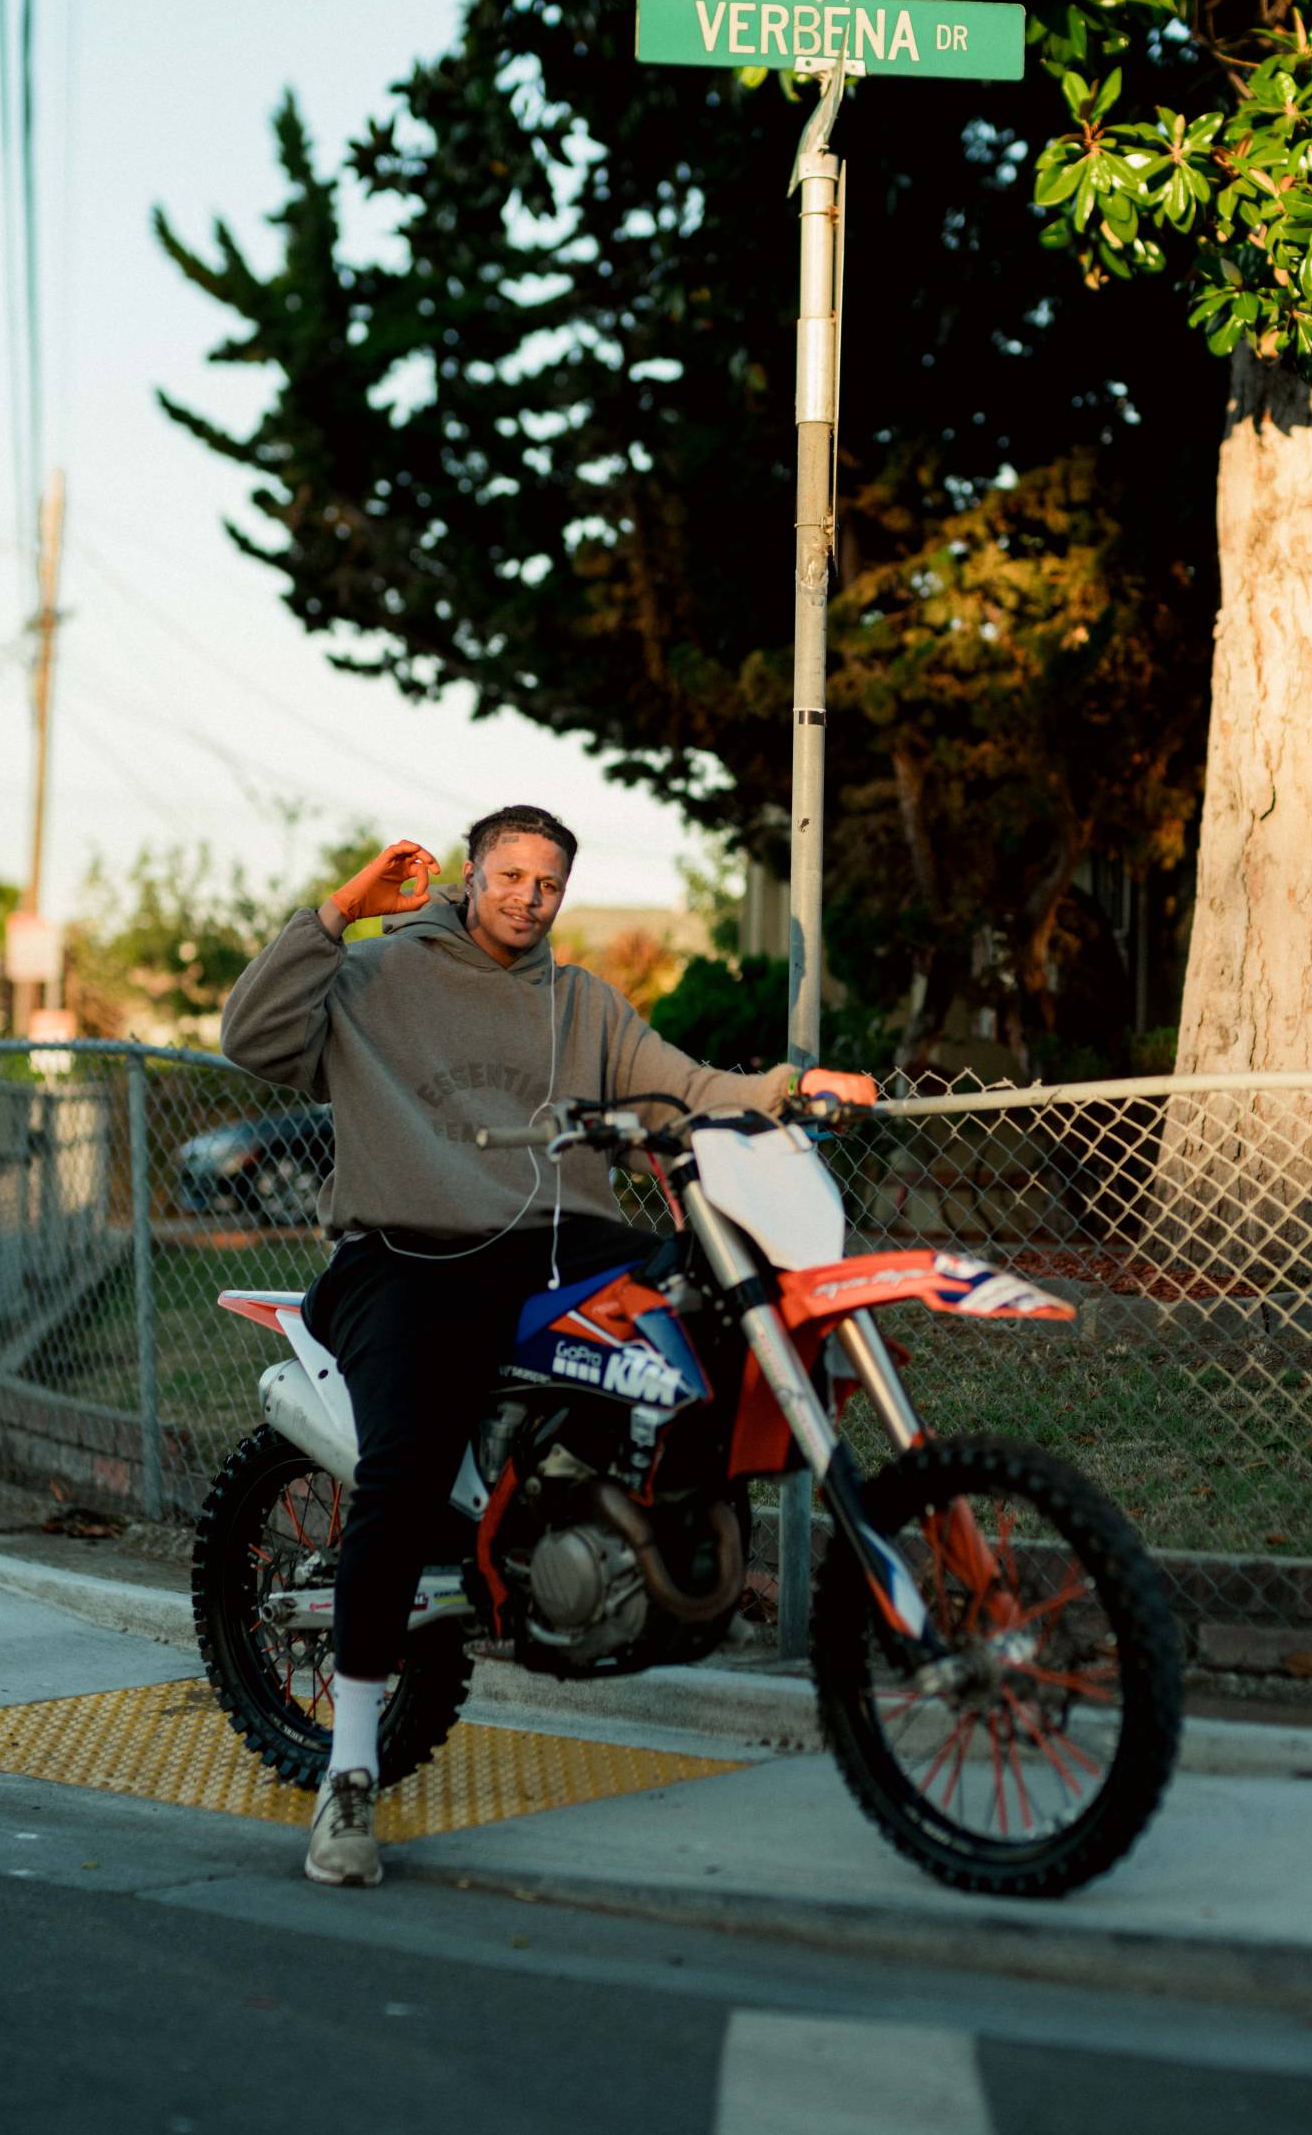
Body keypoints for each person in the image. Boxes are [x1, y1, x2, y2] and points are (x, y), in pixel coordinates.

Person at [220, 801, 876, 1888]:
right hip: (407, 1251)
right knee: (403, 1467)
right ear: (469, 875)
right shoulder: (377, 979)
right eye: (511, 874)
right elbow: (250, 1036)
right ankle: (348, 1774)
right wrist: (339, 910)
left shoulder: (579, 1001)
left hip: (555, 1241)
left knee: (705, 1303)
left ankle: (602, 1530)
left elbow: (686, 1083)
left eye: (549, 883)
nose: (529, 897)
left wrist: (793, 1092)